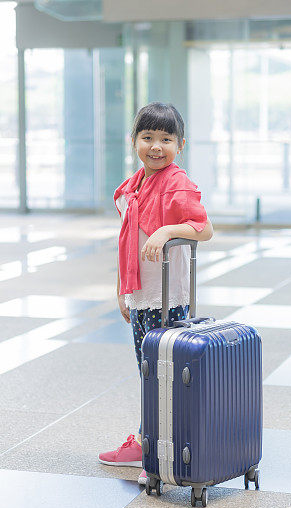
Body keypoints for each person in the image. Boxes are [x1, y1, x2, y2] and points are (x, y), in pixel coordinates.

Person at [98, 102, 214, 486]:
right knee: (148, 372)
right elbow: (127, 240)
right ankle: (148, 440)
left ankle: (161, 448)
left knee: (163, 375)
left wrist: (166, 232)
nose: (156, 146)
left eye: (166, 139)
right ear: (134, 141)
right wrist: (121, 288)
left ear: (181, 145)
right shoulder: (134, 186)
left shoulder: (177, 184)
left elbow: (204, 228)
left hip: (166, 296)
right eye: (148, 137)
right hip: (141, 294)